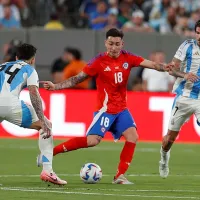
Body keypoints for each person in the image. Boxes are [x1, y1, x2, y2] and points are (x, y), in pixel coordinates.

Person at [41, 28, 198, 184]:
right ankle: (49, 153)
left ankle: (120, 176)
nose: (114, 48)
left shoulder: (127, 57)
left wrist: (165, 67)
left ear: (122, 44)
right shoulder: (98, 61)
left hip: (121, 109)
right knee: (92, 141)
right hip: (105, 109)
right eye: (110, 44)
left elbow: (151, 64)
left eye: (117, 44)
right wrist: (56, 86)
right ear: (105, 43)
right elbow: (77, 79)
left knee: (133, 136)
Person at [0, 43, 66, 185]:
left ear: (16, 57)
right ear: (33, 59)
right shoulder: (29, 69)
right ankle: (47, 171)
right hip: (11, 105)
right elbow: (34, 94)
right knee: (46, 126)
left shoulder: (2, 65)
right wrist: (42, 120)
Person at [159, 20, 200, 179]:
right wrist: (185, 75)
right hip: (184, 97)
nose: (199, 36)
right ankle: (164, 157)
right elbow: (171, 69)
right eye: (197, 32)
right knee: (169, 139)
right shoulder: (187, 46)